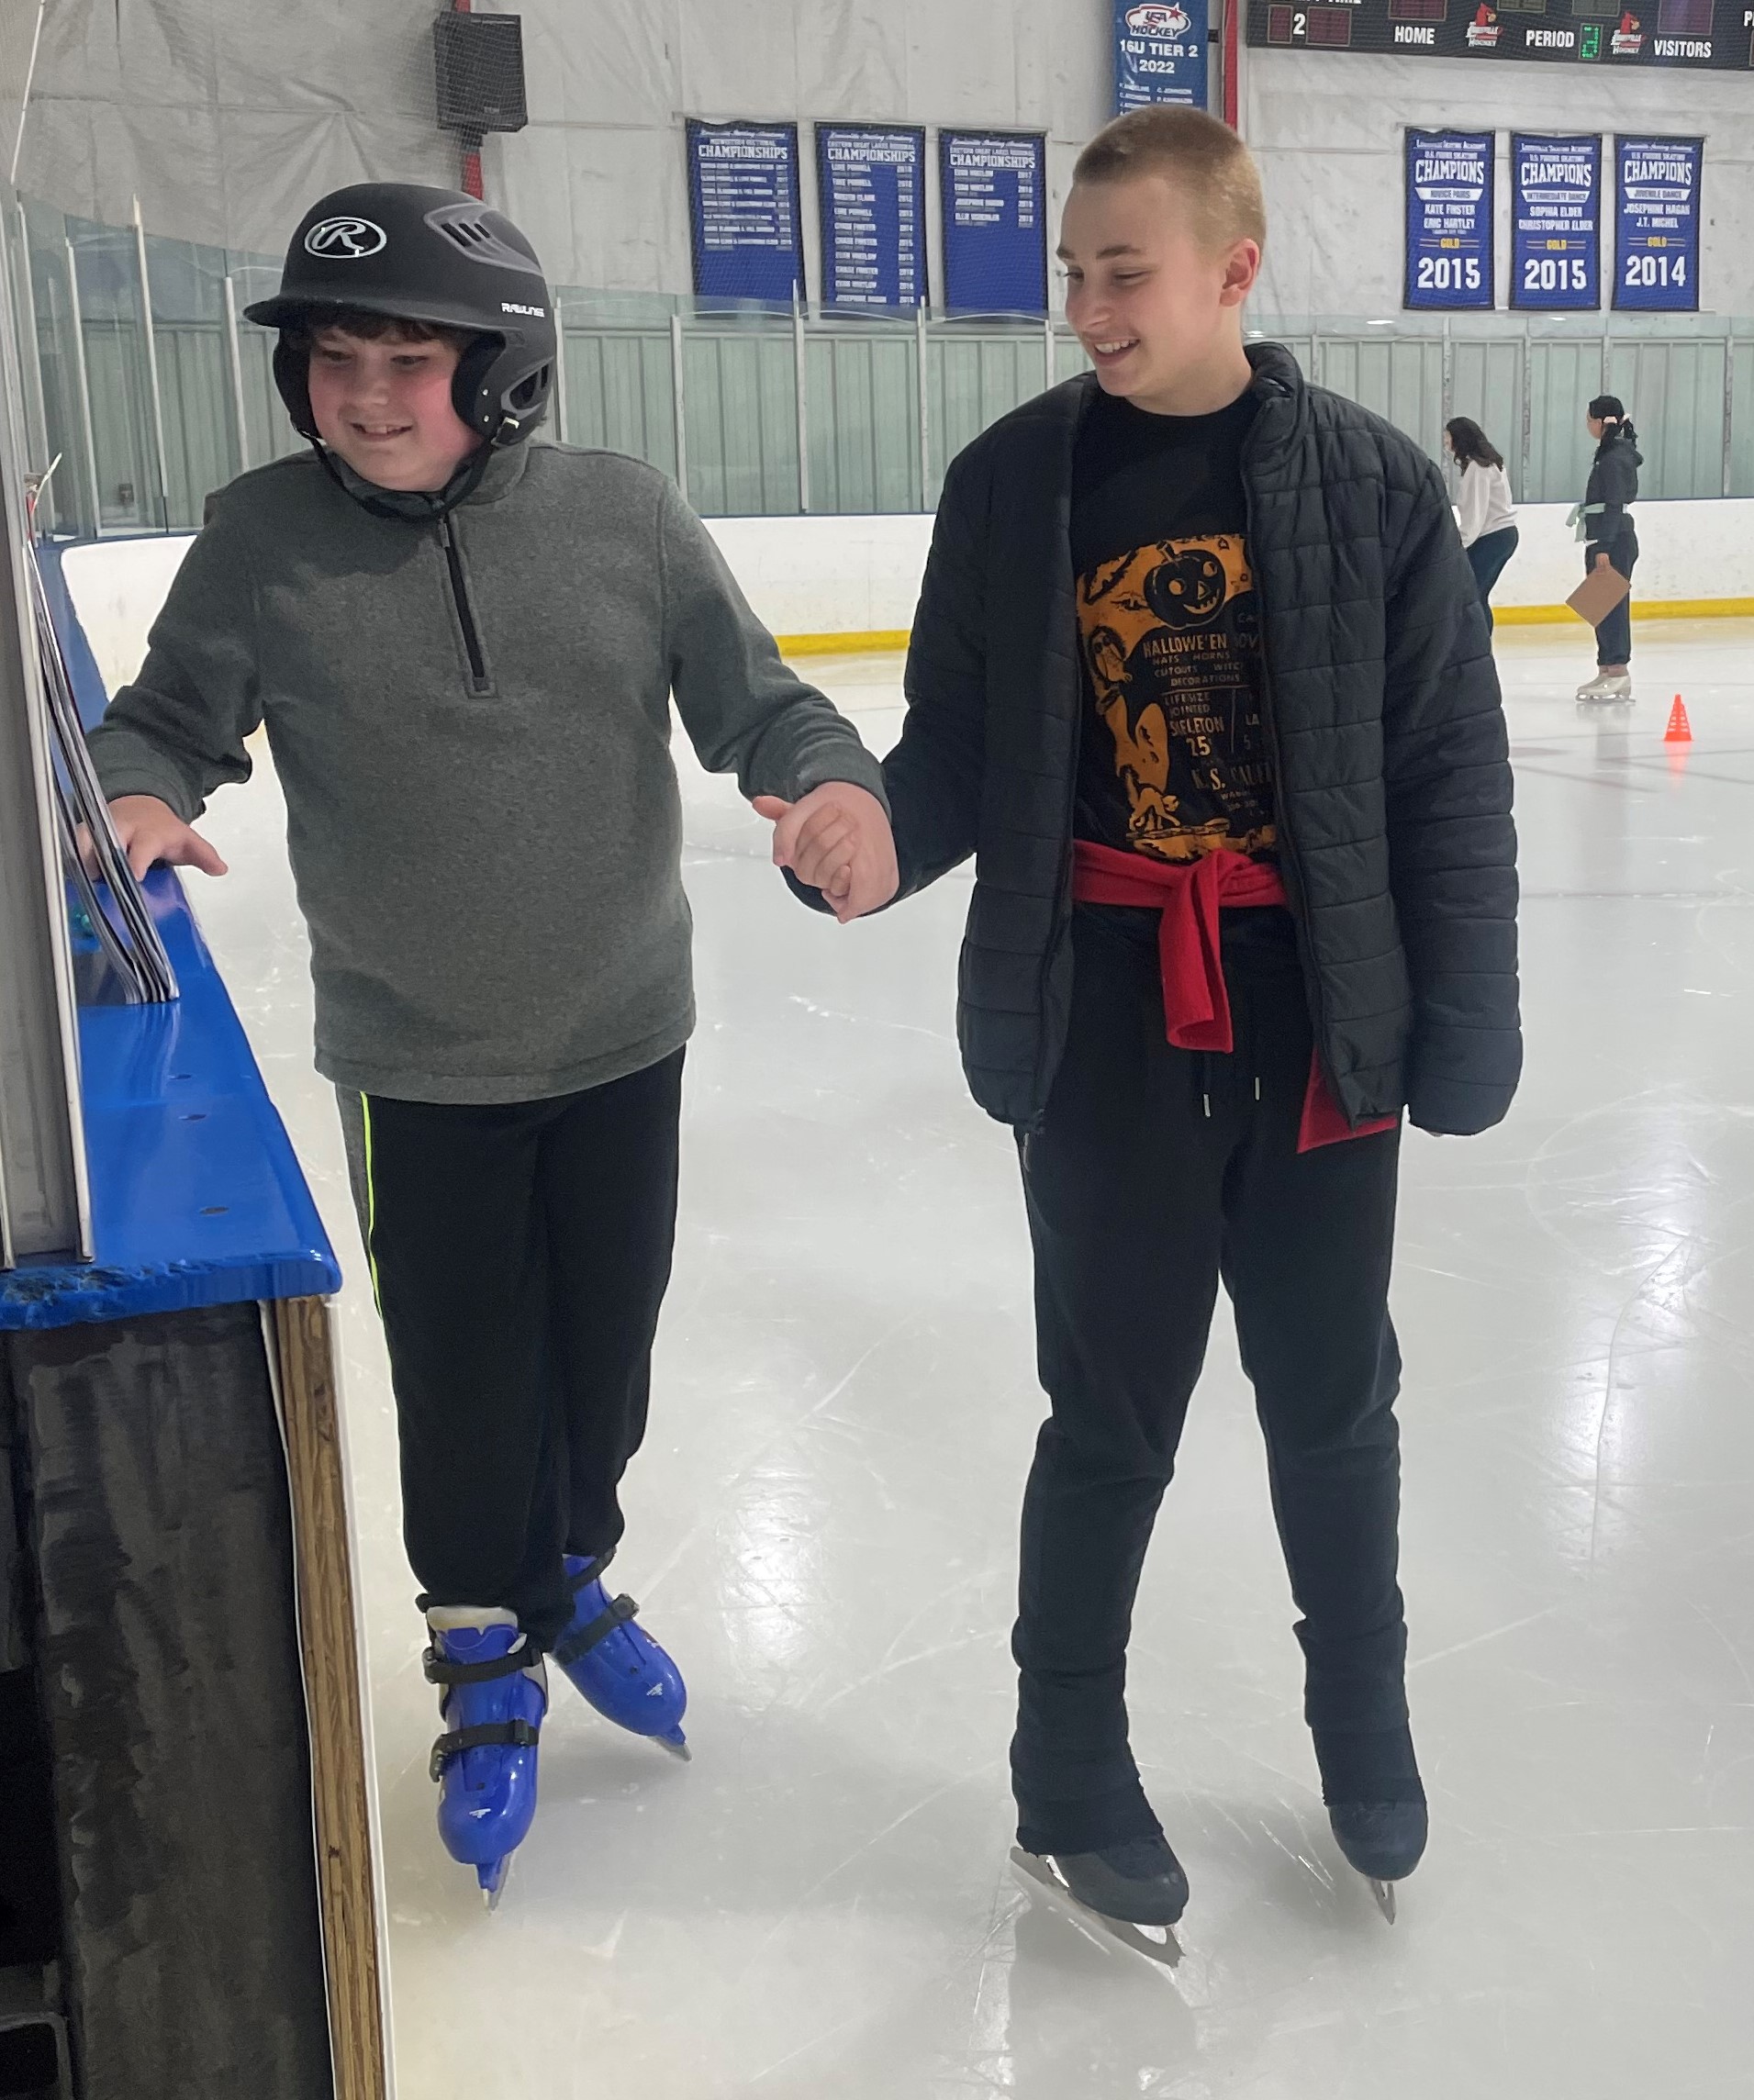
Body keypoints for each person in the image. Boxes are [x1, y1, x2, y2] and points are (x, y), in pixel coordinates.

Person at [83, 183, 897, 1906]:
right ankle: (483, 1650)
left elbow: (769, 701)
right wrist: (141, 798)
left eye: (407, 359)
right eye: (332, 359)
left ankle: (573, 1565)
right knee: (463, 1371)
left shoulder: (629, 517)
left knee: (605, 1352)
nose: (365, 394)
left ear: (508, 371)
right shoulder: (259, 539)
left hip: (622, 1034)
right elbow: (161, 724)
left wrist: (828, 783)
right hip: (416, 1057)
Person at [774, 106, 1520, 1935]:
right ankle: (1065, 1772)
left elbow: (1442, 767)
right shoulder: (1013, 481)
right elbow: (952, 745)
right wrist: (869, 831)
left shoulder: (1365, 487)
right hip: (1107, 1011)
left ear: (1230, 270)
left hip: (1317, 1016)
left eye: (1126, 270)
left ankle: (1361, 1727)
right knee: (1106, 1411)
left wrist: (1465, 1014)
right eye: (1073, 271)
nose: (1090, 305)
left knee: (1333, 1401)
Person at [1572, 395, 1642, 703]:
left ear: (1601, 422)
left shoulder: (1615, 457)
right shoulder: (1611, 453)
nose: (1587, 424)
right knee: (1599, 606)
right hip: (1605, 536)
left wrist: (1603, 545)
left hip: (1612, 540)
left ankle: (1618, 671)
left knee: (1612, 607)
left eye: (1589, 419)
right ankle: (1607, 669)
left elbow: (1613, 503)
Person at [1445, 416, 1518, 632]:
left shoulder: (1478, 467)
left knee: (1472, 594)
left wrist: (1460, 545)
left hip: (1492, 537)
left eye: (1448, 437)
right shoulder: (1488, 462)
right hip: (1500, 536)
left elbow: (1476, 513)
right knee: (1477, 594)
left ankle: (1478, 646)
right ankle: (1480, 646)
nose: (1446, 442)